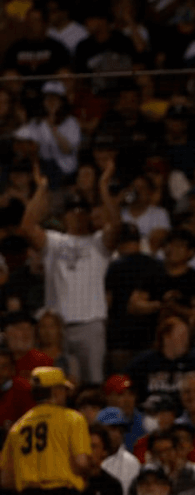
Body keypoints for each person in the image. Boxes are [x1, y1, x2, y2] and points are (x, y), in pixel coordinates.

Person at [20, 161, 120, 384]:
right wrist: (42, 188)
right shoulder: (55, 242)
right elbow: (26, 227)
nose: (77, 214)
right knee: (54, 384)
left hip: (90, 325)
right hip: (56, 329)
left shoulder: (98, 243)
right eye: (72, 210)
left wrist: (102, 187)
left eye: (82, 210)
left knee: (93, 383)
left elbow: (117, 226)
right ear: (65, 216)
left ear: (89, 214)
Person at [0, 366, 92, 495]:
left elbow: (6, 480)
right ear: (56, 391)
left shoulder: (18, 427)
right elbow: (81, 463)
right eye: (63, 390)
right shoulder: (72, 418)